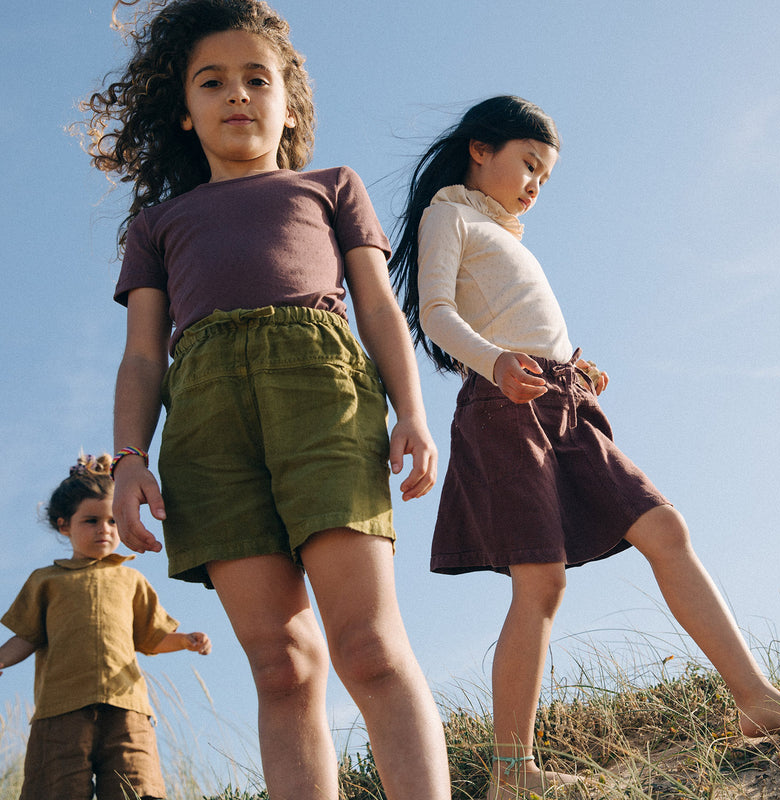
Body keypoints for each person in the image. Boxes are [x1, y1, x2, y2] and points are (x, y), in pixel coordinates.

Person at [81, 2, 450, 798]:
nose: (237, 95)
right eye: (212, 82)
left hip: (320, 394)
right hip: (206, 420)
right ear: (185, 111)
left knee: (369, 649)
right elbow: (143, 354)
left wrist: (412, 412)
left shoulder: (331, 186)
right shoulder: (156, 224)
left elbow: (381, 308)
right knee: (281, 668)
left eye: (258, 78)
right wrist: (129, 460)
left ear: (289, 102)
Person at [389, 94, 780, 798]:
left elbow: (521, 319)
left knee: (664, 527)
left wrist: (573, 369)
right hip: (505, 405)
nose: (534, 186)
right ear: (480, 149)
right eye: (528, 165)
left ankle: (756, 701)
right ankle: (511, 774)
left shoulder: (505, 233)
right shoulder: (447, 214)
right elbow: (437, 313)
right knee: (541, 583)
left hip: (562, 401)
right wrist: (497, 363)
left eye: (544, 179)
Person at [0, 454, 211, 800]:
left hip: (127, 708)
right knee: (56, 789)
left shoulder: (131, 581)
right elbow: (25, 636)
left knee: (136, 788)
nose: (105, 530)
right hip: (60, 710)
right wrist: (2, 660)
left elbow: (151, 638)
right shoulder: (45, 581)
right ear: (63, 524)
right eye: (92, 521)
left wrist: (184, 640)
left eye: (114, 521)